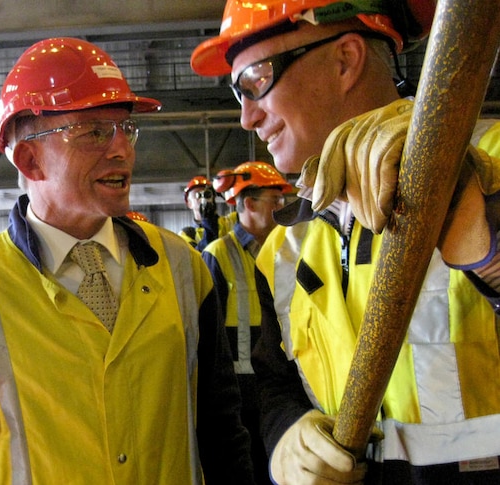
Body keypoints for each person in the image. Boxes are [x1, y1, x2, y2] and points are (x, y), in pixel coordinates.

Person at [0, 37, 254, 484]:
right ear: (30, 159)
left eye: (126, 129)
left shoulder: (182, 267)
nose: (122, 149)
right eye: (96, 132)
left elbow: (222, 434)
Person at [191, 1, 500, 484]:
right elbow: (276, 382)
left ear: (345, 60)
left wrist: (487, 237)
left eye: (254, 81)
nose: (247, 118)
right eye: (239, 95)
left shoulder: (488, 165)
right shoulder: (283, 248)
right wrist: (285, 434)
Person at [203, 161, 292, 485]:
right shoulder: (217, 254)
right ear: (250, 204)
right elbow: (206, 337)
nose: (282, 207)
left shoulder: (285, 252)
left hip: (278, 386)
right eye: (275, 200)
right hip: (238, 395)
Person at [179, 175, 237, 250]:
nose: (203, 199)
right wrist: (208, 225)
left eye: (207, 194)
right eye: (198, 195)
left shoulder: (230, 221)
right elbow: (195, 258)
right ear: (189, 203)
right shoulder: (187, 234)